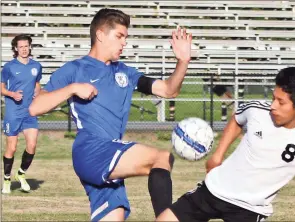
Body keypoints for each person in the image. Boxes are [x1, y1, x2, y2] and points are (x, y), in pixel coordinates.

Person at [29, 8, 192, 221]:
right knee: (161, 157)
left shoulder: (126, 72)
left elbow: (169, 90)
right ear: (100, 35)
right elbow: (35, 107)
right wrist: (73, 88)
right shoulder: (75, 69)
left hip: (109, 153)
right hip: (92, 150)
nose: (124, 42)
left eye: (126, 37)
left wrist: (183, 61)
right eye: (119, 36)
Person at [156, 67, 295, 222]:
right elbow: (237, 119)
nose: (273, 105)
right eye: (274, 98)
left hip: (249, 210)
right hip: (214, 190)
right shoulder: (257, 110)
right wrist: (218, 154)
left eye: (281, 102)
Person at [1, 34, 42, 194]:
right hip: (13, 112)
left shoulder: (36, 66)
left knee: (32, 145)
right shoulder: (9, 67)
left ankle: (20, 174)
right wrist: (12, 94)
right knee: (12, 147)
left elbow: (37, 84)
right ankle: (6, 179)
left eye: (26, 46)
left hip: (29, 111)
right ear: (16, 49)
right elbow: (1, 88)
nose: (24, 49)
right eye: (21, 47)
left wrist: (36, 94)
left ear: (29, 47)